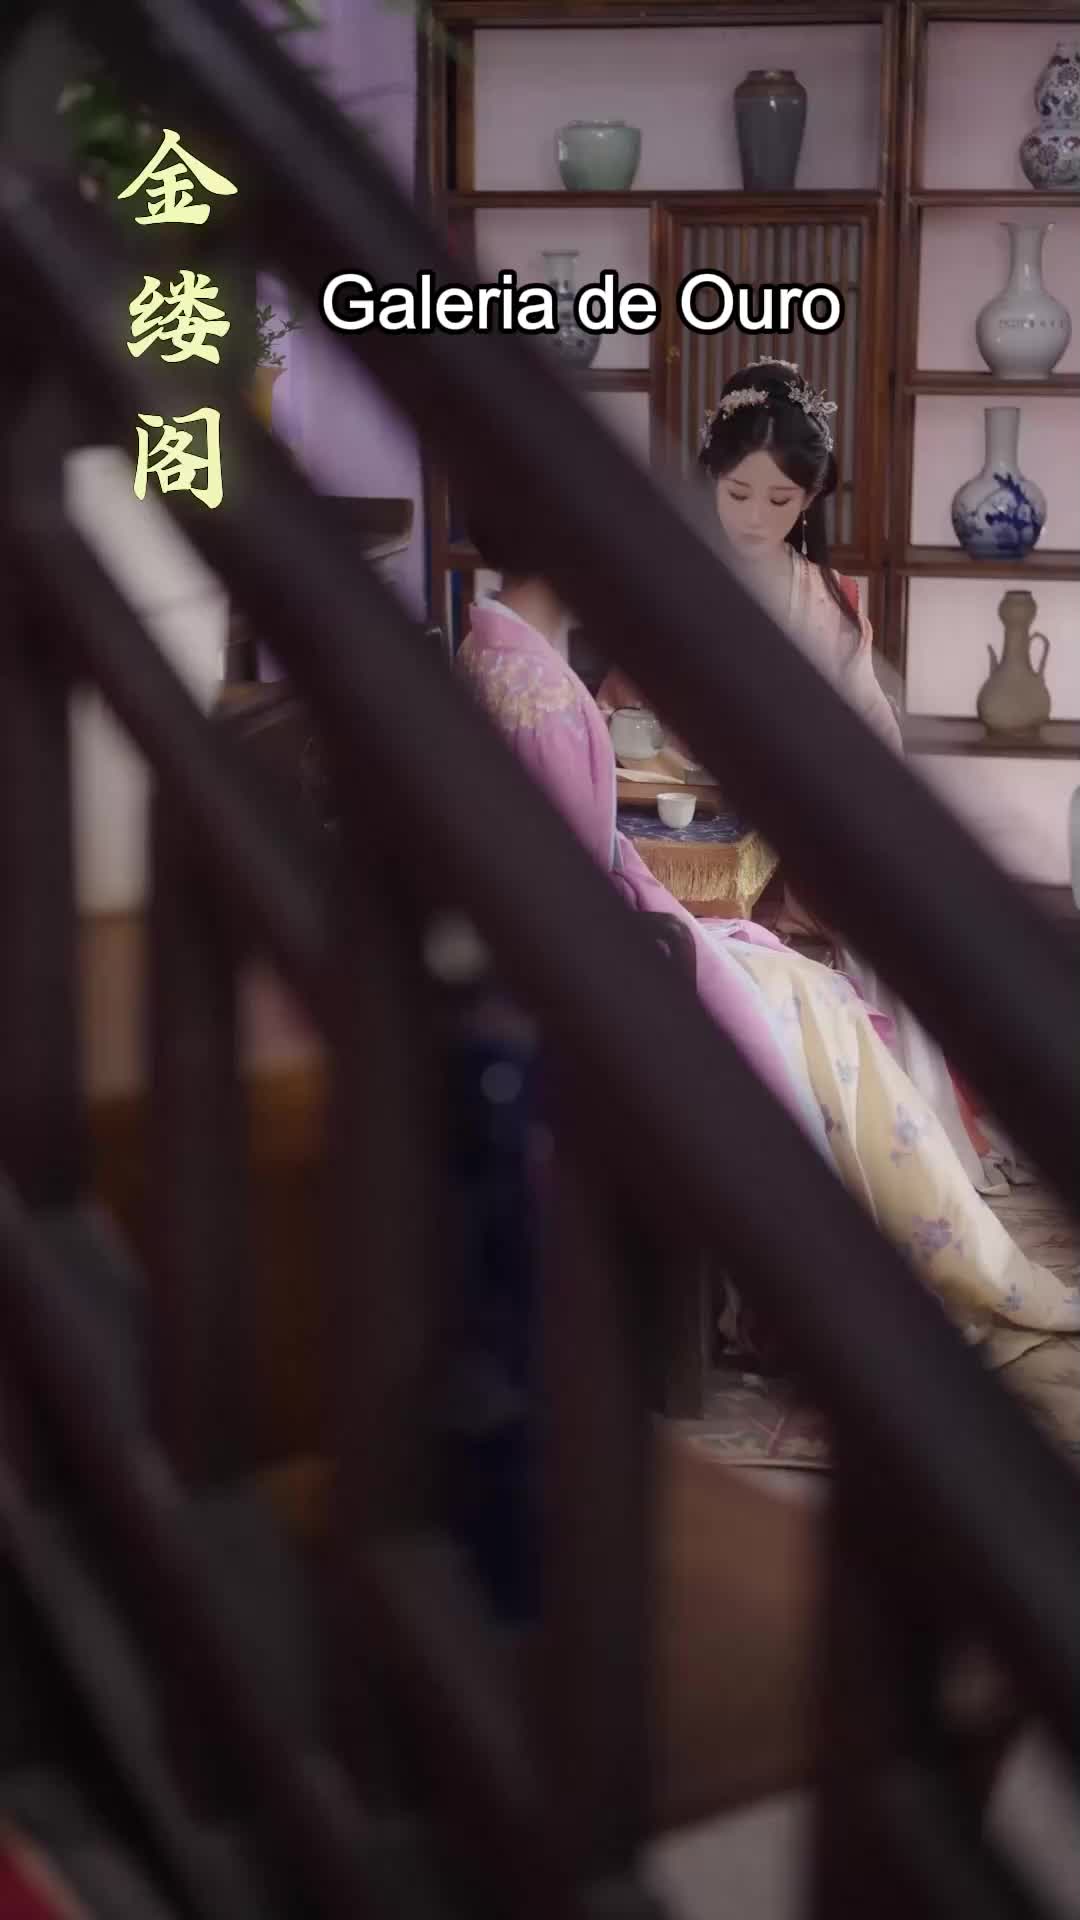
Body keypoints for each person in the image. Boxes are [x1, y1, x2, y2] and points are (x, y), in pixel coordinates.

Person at [455, 508, 1080, 1375]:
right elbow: (570, 882)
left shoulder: (488, 653)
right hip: (595, 972)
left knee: (817, 996)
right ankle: (930, 1282)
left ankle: (955, 1269)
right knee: (819, 1014)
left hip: (582, 943)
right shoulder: (541, 693)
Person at [597, 357, 1033, 1196]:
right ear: (710, 478)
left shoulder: (828, 600)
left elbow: (872, 734)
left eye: (780, 499)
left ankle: (896, 1139)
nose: (756, 517)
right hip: (699, 824)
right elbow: (619, 717)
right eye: (738, 494)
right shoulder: (670, 586)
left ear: (810, 499)